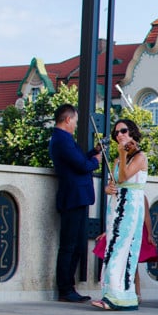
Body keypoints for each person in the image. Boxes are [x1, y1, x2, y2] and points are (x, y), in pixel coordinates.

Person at [92, 119, 148, 310]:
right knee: (113, 247)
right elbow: (114, 181)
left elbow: (124, 177)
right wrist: (109, 188)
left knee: (122, 249)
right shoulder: (118, 158)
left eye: (123, 131)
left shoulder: (140, 157)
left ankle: (118, 297)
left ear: (132, 132)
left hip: (130, 208)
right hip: (116, 206)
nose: (119, 135)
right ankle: (111, 294)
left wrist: (122, 154)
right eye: (116, 133)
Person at [49, 103, 102, 302]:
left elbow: (78, 160)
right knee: (69, 245)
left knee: (77, 244)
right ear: (68, 120)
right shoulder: (62, 140)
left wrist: (93, 152)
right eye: (75, 121)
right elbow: (81, 165)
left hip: (77, 197)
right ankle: (65, 288)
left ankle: (69, 287)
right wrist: (96, 161)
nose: (75, 125)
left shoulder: (64, 139)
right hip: (72, 197)